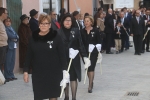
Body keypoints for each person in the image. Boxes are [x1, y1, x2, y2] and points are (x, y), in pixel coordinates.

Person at [23, 13, 69, 100]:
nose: (44, 25)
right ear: (39, 24)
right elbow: (29, 55)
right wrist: (26, 71)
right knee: (38, 96)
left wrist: (65, 71)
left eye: (46, 23)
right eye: (41, 23)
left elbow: (62, 55)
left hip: (54, 73)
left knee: (53, 96)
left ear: (50, 25)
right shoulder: (33, 37)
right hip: (38, 73)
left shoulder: (56, 36)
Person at [57, 14, 90, 100]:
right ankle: (66, 96)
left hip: (74, 58)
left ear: (72, 22)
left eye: (69, 20)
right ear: (63, 21)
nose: (68, 22)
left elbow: (81, 45)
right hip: (63, 59)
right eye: (66, 20)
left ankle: (74, 97)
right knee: (65, 77)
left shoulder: (76, 31)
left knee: (73, 77)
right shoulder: (58, 32)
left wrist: (85, 57)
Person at [81, 15, 101, 93]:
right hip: (85, 53)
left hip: (93, 53)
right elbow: (80, 42)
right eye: (85, 21)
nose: (86, 22)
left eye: (88, 21)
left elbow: (99, 41)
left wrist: (97, 48)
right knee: (87, 68)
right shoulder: (82, 31)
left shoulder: (95, 31)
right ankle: (91, 80)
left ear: (91, 22)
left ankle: (90, 85)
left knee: (91, 68)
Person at [3, 17, 19, 82]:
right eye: (7, 21)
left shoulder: (11, 28)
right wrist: (15, 37)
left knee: (12, 61)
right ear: (4, 22)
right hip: (9, 46)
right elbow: (10, 36)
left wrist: (15, 37)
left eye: (9, 21)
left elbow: (17, 36)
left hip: (13, 46)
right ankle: (7, 75)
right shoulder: (5, 29)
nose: (8, 22)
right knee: (8, 62)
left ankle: (11, 75)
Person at [0, 7, 8, 72]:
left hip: (4, 45)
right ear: (2, 14)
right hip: (1, 45)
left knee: (2, 62)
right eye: (6, 13)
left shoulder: (1, 22)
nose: (7, 15)